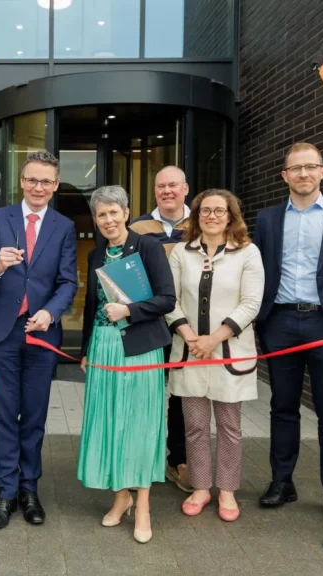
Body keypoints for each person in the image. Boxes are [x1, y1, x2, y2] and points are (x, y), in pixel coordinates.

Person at [253, 142, 323, 529]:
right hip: (280, 323)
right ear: (284, 176)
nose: (303, 174)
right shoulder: (267, 220)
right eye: (295, 169)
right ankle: (282, 482)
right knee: (282, 408)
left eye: (310, 167)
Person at [0, 150, 78, 529]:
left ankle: (28, 488)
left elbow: (69, 281)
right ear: (21, 181)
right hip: (2, 333)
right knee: (3, 415)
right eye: (32, 179)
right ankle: (5, 492)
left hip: (41, 332)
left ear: (55, 184)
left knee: (33, 416)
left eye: (46, 181)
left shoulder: (64, 226)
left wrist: (50, 312)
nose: (38, 187)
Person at [77, 185, 175, 544]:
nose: (107, 220)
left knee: (138, 424)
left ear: (127, 212)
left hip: (139, 348)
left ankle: (144, 504)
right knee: (106, 421)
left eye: (113, 212)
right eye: (101, 214)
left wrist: (129, 311)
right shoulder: (96, 253)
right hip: (103, 347)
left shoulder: (147, 246)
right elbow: (90, 304)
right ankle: (120, 496)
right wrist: (86, 348)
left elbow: (167, 299)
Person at [166, 189, 264, 522]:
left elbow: (251, 303)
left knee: (229, 427)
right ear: (196, 217)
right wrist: (191, 337)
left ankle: (227, 490)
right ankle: (200, 487)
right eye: (205, 211)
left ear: (231, 216)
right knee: (194, 427)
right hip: (190, 351)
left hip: (229, 354)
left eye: (219, 211)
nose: (211, 216)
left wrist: (214, 339)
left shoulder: (248, 253)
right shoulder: (181, 252)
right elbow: (171, 299)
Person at [130, 165, 192, 491]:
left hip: (188, 328)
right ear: (155, 191)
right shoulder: (138, 227)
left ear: (185, 188)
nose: (167, 191)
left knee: (182, 396)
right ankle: (142, 460)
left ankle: (177, 460)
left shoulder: (203, 222)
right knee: (148, 395)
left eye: (173, 186)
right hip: (151, 325)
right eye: (161, 187)